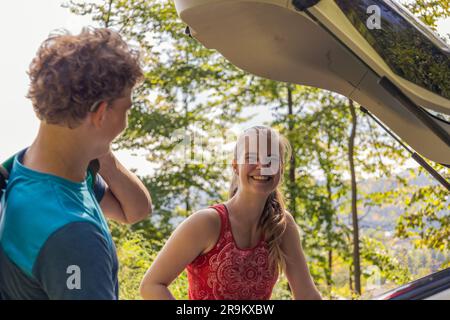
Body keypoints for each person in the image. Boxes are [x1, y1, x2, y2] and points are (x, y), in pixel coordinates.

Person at [0, 27, 152, 300]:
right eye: (126, 109)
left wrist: (97, 143)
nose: (126, 122)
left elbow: (136, 210)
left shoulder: (24, 169)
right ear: (102, 113)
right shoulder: (73, 235)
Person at [139, 126, 322, 300]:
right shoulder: (207, 223)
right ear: (235, 166)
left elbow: (307, 295)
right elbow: (151, 285)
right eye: (251, 157)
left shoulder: (282, 224)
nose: (262, 165)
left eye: (271, 159)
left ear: (281, 169)